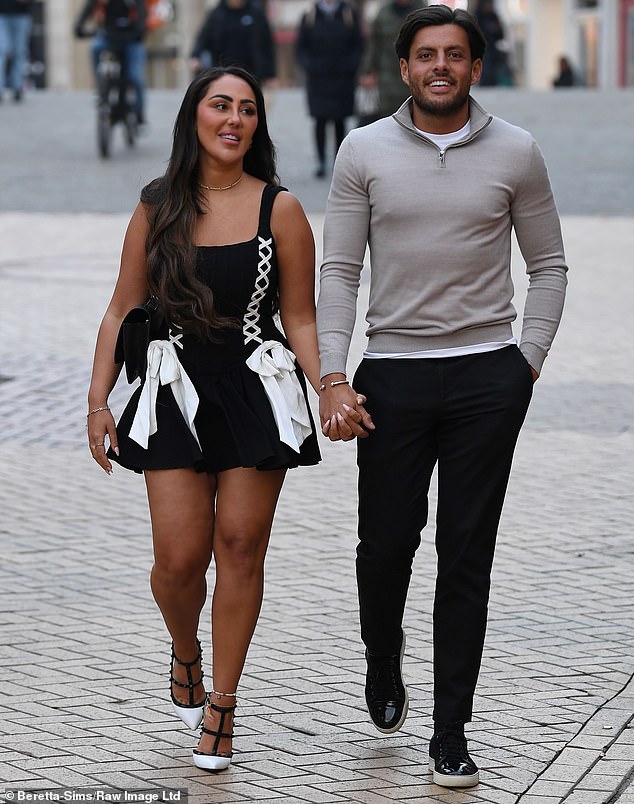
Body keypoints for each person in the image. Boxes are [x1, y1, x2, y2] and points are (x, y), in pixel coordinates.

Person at [317, 4, 567, 789]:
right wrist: (332, 373)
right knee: (386, 546)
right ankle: (382, 655)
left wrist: (523, 365)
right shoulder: (363, 150)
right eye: (425, 55)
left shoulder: (518, 153)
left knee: (467, 555)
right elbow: (339, 271)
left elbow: (550, 265)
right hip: (391, 375)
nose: (440, 67)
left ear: (474, 66)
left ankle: (450, 729)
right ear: (403, 68)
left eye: (454, 55)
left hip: (486, 378)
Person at [86, 65, 344, 770]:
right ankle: (185, 648)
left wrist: (327, 384)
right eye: (220, 105)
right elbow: (121, 308)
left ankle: (223, 707)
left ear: (259, 125)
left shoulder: (280, 209)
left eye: (248, 110)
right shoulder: (157, 204)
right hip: (171, 387)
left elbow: (299, 314)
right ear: (194, 116)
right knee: (177, 563)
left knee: (239, 544)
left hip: (256, 386)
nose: (234, 119)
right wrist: (98, 399)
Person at [296, 0, 363, 177]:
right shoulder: (310, 16)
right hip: (318, 79)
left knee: (340, 121)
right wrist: (309, 66)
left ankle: (338, 161)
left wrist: (351, 66)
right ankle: (320, 161)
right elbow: (301, 48)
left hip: (342, 78)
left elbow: (358, 45)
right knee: (320, 120)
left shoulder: (348, 15)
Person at [74, 0, 148, 125]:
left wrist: (140, 31)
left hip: (131, 39)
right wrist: (79, 26)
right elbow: (88, 9)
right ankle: (100, 83)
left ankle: (139, 112)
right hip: (109, 36)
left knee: (135, 77)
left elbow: (142, 14)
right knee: (96, 48)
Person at [358, 0, 425, 121]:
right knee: (387, 119)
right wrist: (368, 72)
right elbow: (374, 45)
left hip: (414, 75)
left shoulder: (422, 10)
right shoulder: (384, 13)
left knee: (415, 116)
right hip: (387, 77)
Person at [190, 0, 276, 85]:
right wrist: (196, 55)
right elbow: (204, 37)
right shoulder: (216, 14)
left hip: (252, 73)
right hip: (222, 72)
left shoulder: (256, 13)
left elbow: (267, 43)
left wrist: (271, 74)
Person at [0, 0, 33, 102]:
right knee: (2, 50)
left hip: (21, 14)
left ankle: (17, 87)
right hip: (1, 14)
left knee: (19, 52)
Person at [474, 0, 509, 86]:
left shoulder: (493, 16)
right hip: (481, 48)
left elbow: (501, 35)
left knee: (493, 70)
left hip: (492, 49)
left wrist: (495, 29)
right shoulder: (477, 16)